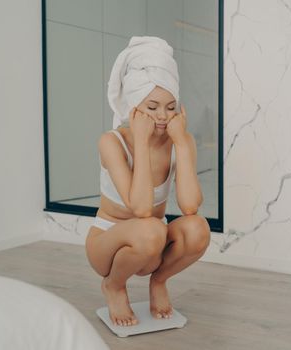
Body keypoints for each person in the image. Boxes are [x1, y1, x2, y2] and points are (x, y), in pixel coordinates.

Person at [85, 36, 211, 327]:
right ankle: (114, 286)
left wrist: (181, 141)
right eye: (152, 107)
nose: (163, 116)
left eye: (170, 106)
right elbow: (141, 208)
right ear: (134, 106)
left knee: (197, 228)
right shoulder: (111, 142)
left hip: (152, 241)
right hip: (108, 244)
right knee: (151, 227)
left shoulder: (181, 140)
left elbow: (190, 205)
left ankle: (159, 282)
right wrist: (140, 141)